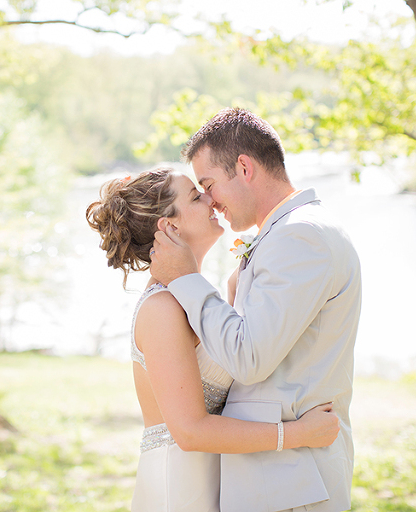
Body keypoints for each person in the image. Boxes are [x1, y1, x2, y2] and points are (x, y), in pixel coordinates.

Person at [86, 166, 341, 512]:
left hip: (214, 480)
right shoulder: (163, 309)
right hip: (179, 486)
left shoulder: (192, 299)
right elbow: (190, 431)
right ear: (170, 227)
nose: (210, 198)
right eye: (195, 195)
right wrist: (298, 434)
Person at [150, 108, 362, 512]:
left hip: (291, 483)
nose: (209, 200)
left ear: (244, 167)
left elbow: (249, 359)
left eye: (209, 184)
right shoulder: (291, 232)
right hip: (278, 479)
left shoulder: (300, 236)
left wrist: (186, 279)